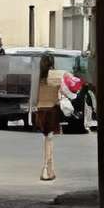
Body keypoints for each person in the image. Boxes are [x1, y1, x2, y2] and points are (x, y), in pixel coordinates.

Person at [32, 52, 64, 184]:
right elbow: (62, 93)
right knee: (49, 140)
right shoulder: (57, 75)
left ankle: (50, 169)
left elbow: (34, 96)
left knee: (47, 138)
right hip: (52, 109)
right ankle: (46, 169)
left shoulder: (38, 76)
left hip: (41, 109)